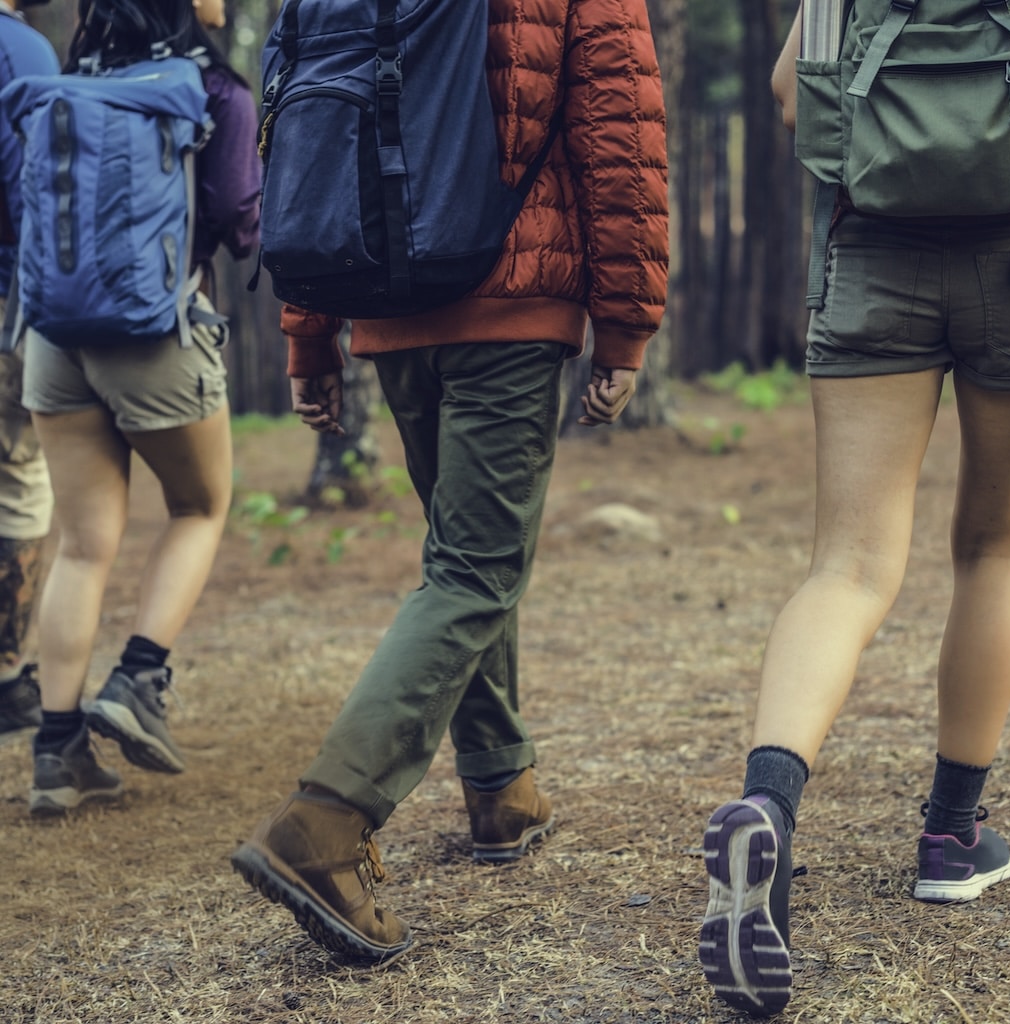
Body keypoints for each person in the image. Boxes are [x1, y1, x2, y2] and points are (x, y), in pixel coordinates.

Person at [231, 0, 669, 962]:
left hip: (388, 306)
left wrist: (310, 335)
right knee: (475, 570)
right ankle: (327, 822)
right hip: (512, 302)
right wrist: (626, 324)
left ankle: (501, 787)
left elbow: (302, 139)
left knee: (466, 559)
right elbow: (619, 137)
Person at [699, 4, 1010, 1016]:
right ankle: (950, 835)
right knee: (997, 544)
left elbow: (794, 96)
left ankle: (767, 803)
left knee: (845, 566)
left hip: (872, 256)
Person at [22, 0, 260, 815]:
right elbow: (237, 216)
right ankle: (139, 677)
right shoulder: (213, 92)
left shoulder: (66, 82)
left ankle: (56, 753)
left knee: (84, 545)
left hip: (54, 340)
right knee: (199, 505)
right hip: (154, 333)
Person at [0, 0, 56, 746]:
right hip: (8, 293)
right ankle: (9, 677)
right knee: (17, 469)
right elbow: (37, 193)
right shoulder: (23, 53)